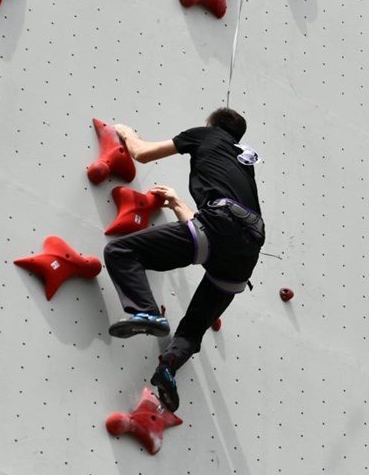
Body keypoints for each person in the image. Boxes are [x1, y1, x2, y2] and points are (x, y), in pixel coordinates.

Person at [103, 107, 264, 411]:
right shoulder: (243, 163)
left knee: (121, 252)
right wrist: (177, 203)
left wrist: (126, 133)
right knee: (193, 328)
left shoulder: (205, 135)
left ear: (212, 124)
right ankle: (168, 370)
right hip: (245, 254)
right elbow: (210, 232)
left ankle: (145, 312)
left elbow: (142, 153)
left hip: (219, 227)